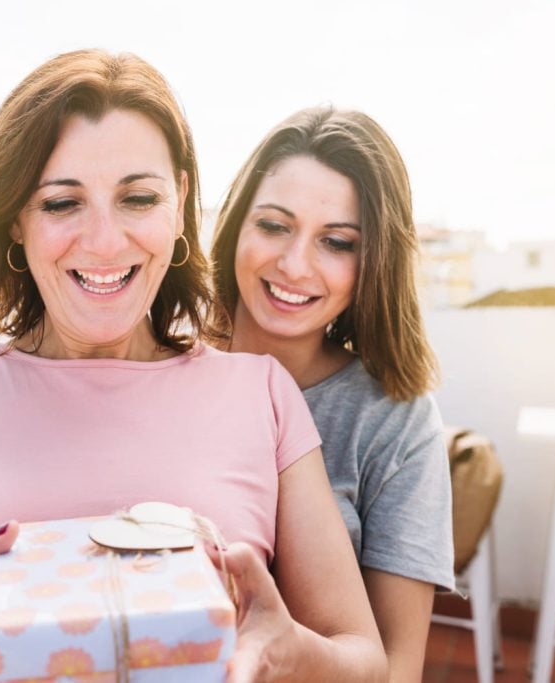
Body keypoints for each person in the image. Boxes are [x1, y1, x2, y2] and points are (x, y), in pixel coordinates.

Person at [0, 52, 386, 682]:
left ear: (180, 200)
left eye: (138, 198)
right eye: (61, 204)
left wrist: (295, 654)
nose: (106, 241)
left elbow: (362, 658)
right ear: (16, 221)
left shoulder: (262, 393)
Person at [208, 106, 455, 681]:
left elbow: (396, 671)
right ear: (237, 224)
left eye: (337, 242)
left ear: (375, 263)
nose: (295, 265)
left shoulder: (395, 420)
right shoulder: (154, 359)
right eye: (273, 226)